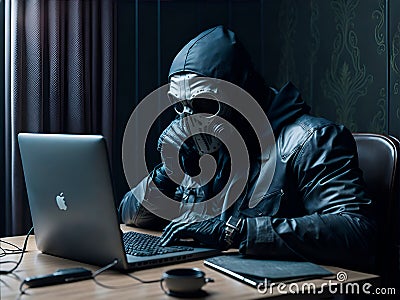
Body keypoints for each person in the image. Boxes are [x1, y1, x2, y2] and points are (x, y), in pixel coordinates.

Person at [119, 26, 376, 270]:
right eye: (181, 106)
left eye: (205, 104)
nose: (190, 123)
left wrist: (235, 231)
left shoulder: (312, 140)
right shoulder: (205, 148)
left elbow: (357, 231)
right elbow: (128, 215)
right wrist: (168, 171)